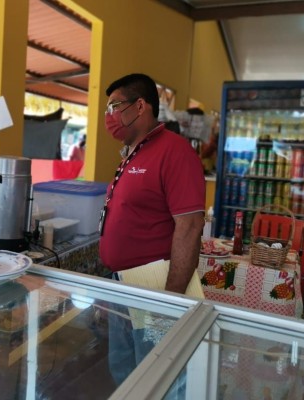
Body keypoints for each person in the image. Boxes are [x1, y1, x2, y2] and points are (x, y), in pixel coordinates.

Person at [99, 73, 205, 394]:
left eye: (115, 106)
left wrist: (168, 302)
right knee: (126, 369)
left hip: (155, 287)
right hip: (124, 285)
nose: (109, 116)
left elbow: (189, 227)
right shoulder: (132, 153)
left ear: (140, 106)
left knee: (161, 378)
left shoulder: (175, 152)